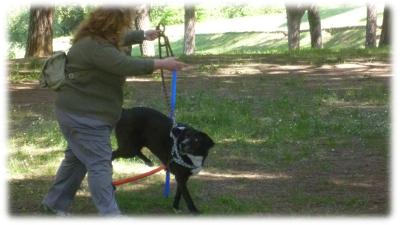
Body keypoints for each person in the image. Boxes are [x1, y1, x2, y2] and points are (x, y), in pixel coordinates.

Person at [41, 7, 187, 216]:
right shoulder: (94, 46)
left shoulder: (96, 38)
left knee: (76, 159)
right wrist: (161, 64)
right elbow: (122, 64)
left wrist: (143, 35)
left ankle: (53, 205)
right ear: (112, 25)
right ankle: (110, 214)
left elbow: (120, 40)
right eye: (124, 25)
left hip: (79, 113)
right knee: (100, 165)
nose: (125, 29)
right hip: (84, 118)